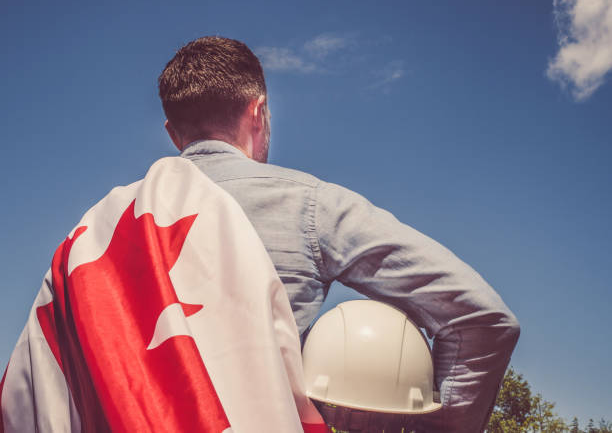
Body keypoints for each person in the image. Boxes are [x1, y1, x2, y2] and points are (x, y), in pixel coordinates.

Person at [158, 36, 520, 433]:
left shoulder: (95, 231)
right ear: (258, 112)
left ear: (173, 133)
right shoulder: (308, 205)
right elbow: (480, 316)